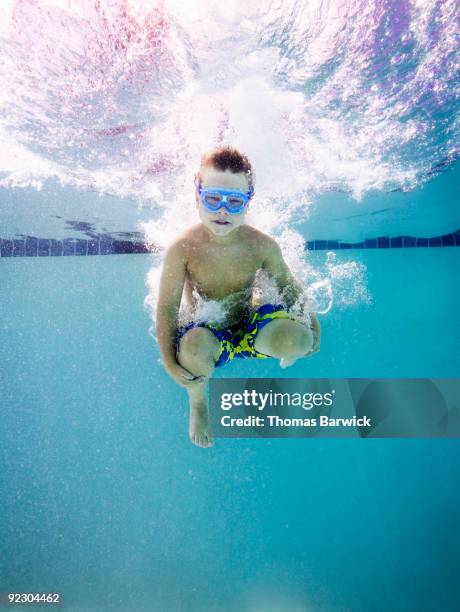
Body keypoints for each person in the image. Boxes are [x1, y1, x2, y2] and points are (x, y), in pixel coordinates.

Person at [156, 146, 321, 448]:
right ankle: (197, 402)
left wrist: (313, 326)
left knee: (301, 340)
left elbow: (290, 287)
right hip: (209, 333)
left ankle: (287, 347)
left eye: (234, 202)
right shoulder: (182, 249)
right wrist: (170, 363)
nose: (222, 211)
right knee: (191, 346)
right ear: (197, 196)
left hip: (251, 328)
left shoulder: (262, 245)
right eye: (213, 199)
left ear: (248, 203)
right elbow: (167, 308)